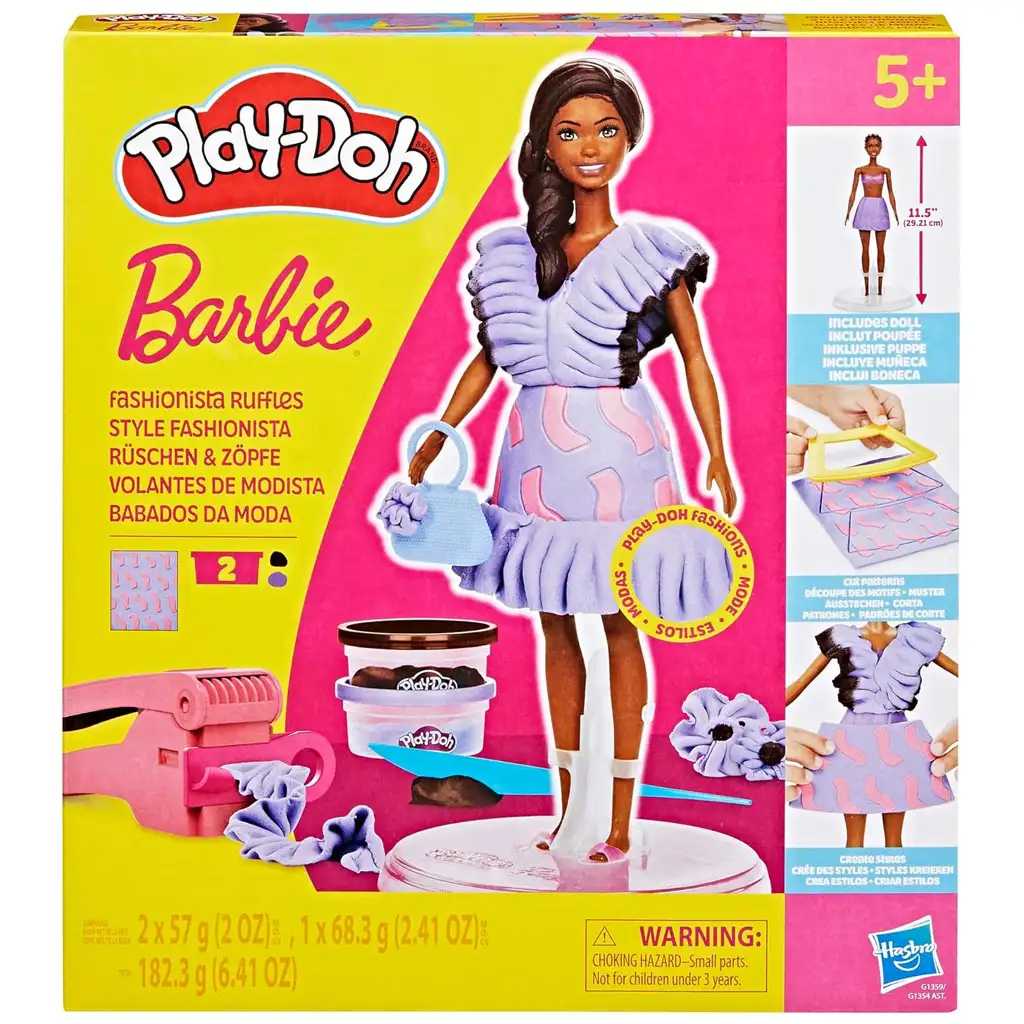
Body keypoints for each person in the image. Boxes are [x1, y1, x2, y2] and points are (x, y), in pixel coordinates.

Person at [405, 59, 737, 862]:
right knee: (554, 626)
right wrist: (442, 427)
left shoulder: (650, 252)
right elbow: (488, 357)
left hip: (621, 448)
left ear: (628, 138)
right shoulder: (510, 256)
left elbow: (695, 357)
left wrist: (717, 452)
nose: (590, 147)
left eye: (606, 130)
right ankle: (567, 810)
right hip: (531, 456)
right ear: (546, 146)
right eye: (571, 132)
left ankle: (620, 818)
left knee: (621, 622)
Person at [845, 134, 899, 298]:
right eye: (870, 146)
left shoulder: (885, 171)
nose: (873, 149)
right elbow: (853, 192)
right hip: (865, 209)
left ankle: (880, 287)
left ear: (881, 148)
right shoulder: (860, 170)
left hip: (880, 209)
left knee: (881, 248)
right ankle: (867, 288)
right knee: (865, 248)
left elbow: (890, 192)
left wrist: (895, 211)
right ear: (866, 148)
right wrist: (848, 211)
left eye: (876, 145)